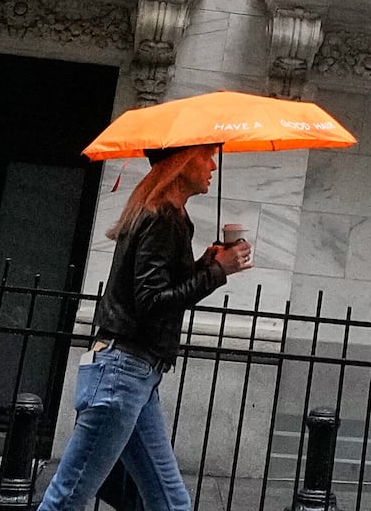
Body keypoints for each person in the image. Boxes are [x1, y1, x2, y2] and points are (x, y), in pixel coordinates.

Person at [37, 145, 253, 511]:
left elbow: (157, 289)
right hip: (122, 374)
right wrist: (218, 273)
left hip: (136, 375)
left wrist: (204, 264)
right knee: (65, 500)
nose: (212, 164)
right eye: (205, 155)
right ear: (182, 163)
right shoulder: (161, 217)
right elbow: (152, 301)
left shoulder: (169, 217)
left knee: (170, 503)